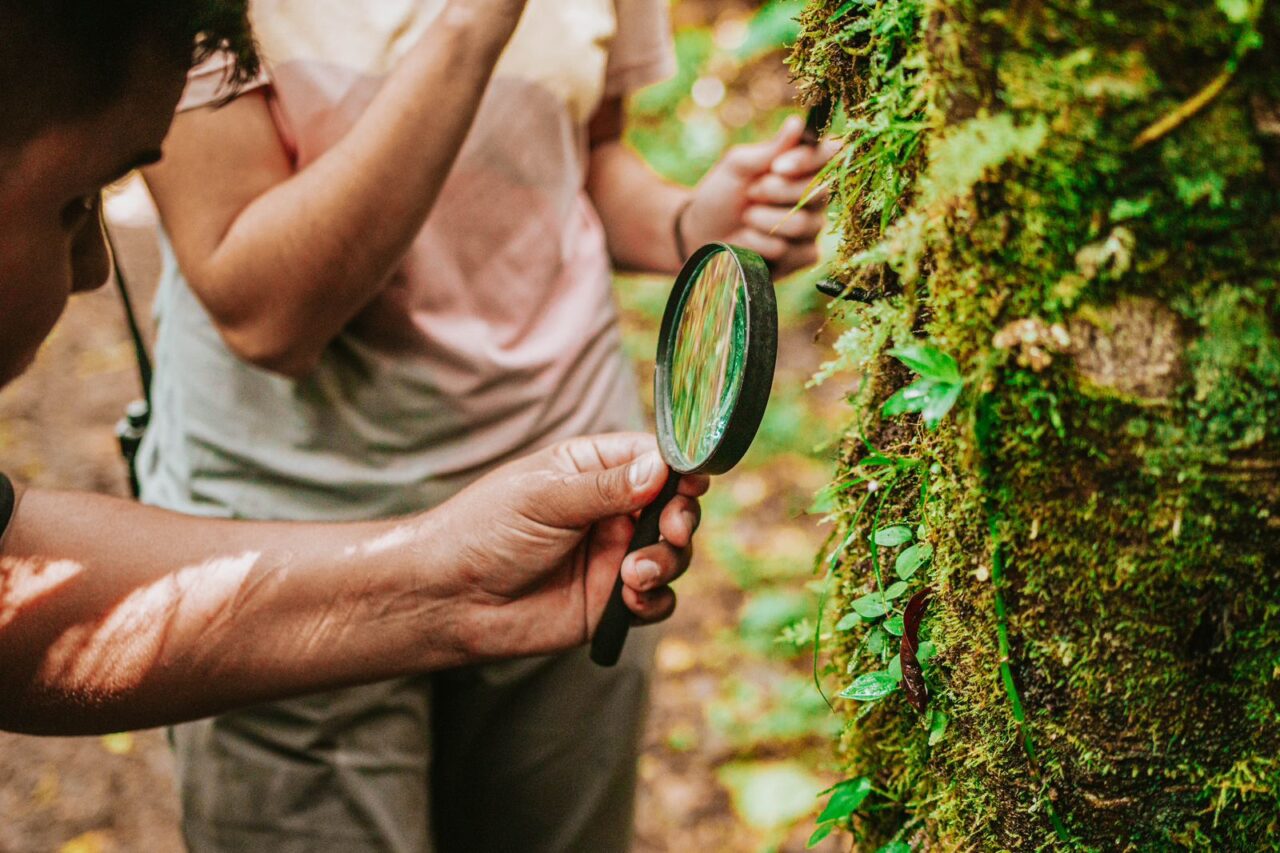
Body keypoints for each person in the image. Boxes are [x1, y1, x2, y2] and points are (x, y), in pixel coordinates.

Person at [140, 1, 839, 850]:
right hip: (293, 538)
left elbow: (578, 159)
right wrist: (474, 23)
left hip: (572, 516)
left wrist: (688, 222)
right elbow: (269, 312)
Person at [0, 0, 705, 738]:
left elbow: (10, 554)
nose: (94, 270)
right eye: (77, 205)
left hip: (561, 485)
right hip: (288, 501)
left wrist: (444, 580)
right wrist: (473, 28)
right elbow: (267, 313)